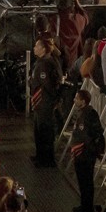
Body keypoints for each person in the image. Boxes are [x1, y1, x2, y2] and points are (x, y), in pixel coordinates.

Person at [70, 89, 105, 212]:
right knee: (82, 182)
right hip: (80, 154)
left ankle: (87, 210)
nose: (74, 100)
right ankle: (84, 206)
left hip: (85, 155)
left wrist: (91, 150)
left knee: (87, 183)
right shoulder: (81, 113)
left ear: (83, 101)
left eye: (77, 98)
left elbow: (95, 134)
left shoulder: (90, 114)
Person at [29, 38, 64, 167]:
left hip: (45, 102)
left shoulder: (46, 64)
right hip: (39, 103)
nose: (34, 48)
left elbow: (48, 84)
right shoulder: (40, 62)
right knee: (38, 130)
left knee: (45, 131)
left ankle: (47, 159)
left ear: (43, 49)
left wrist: (52, 100)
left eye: (37, 46)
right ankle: (40, 156)